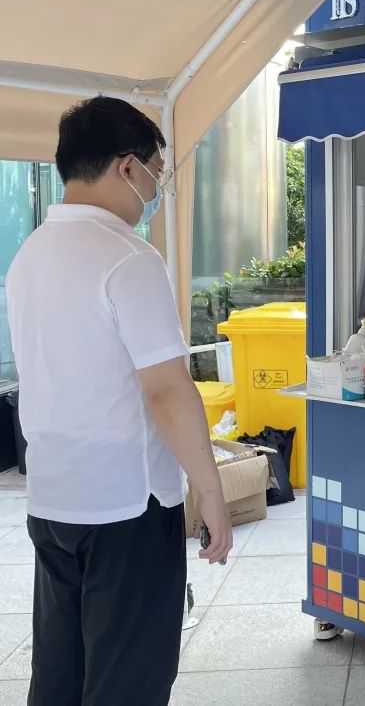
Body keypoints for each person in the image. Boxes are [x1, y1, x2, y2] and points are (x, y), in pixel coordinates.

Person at [4, 97, 232, 706]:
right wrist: (209, 490)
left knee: (60, 672)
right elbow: (166, 388)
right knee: (128, 679)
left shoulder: (29, 256)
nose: (156, 188)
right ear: (127, 167)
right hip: (126, 508)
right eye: (157, 171)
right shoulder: (129, 257)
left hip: (53, 498)